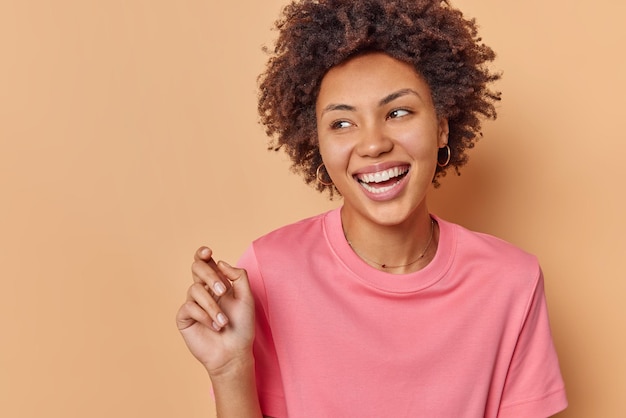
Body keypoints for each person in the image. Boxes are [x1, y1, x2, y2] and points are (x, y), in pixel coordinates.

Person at [176, 0, 568, 416]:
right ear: (317, 145)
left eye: (398, 112)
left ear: (441, 128)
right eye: (342, 123)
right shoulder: (269, 272)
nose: (373, 144)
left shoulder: (511, 282)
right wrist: (230, 369)